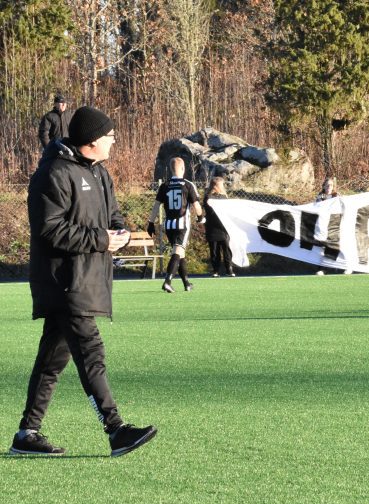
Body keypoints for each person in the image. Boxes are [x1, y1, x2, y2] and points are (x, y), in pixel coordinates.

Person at [12, 106, 157, 457]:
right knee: (91, 353)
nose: (114, 140)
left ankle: (26, 434)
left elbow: (112, 215)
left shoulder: (100, 173)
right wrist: (102, 239)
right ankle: (116, 430)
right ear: (92, 140)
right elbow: (50, 229)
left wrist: (119, 232)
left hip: (88, 279)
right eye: (110, 136)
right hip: (64, 282)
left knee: (51, 361)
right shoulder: (54, 173)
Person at [147, 157, 205, 293]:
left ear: (170, 169)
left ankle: (186, 283)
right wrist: (201, 217)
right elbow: (196, 205)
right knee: (178, 252)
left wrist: (151, 222)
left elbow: (156, 206)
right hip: (182, 224)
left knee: (180, 253)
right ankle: (167, 281)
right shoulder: (188, 185)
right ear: (184, 169)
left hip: (169, 225)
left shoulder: (165, 185)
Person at [204, 176, 235, 277]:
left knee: (226, 250)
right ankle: (216, 270)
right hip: (213, 227)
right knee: (214, 250)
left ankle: (229, 269)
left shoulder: (224, 197)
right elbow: (210, 211)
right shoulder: (208, 197)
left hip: (223, 228)